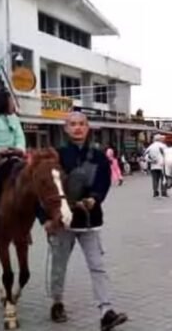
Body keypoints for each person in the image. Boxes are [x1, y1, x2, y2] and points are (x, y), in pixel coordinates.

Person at [46, 112, 128, 330]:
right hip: (64, 221)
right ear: (65, 128)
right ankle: (57, 303)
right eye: (72, 124)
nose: (77, 128)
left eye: (81, 124)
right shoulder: (56, 156)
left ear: (88, 127)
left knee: (98, 266)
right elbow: (46, 188)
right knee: (59, 265)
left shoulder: (99, 156)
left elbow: (103, 183)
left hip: (91, 221)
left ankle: (106, 311)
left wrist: (94, 198)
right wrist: (47, 218)